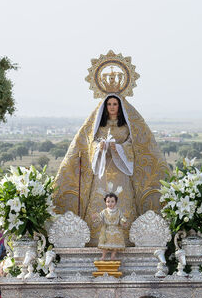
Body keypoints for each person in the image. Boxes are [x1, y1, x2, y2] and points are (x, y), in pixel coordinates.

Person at [53, 93, 166, 245]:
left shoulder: (125, 128)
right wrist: (99, 147)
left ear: (119, 107)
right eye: (109, 104)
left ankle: (125, 236)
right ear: (105, 107)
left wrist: (118, 147)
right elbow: (91, 144)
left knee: (123, 197)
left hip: (121, 171)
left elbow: (130, 145)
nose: (112, 107)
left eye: (115, 104)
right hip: (103, 170)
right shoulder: (99, 128)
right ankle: (96, 237)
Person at [93, 192, 129, 260]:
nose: (110, 203)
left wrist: (123, 221)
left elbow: (121, 218)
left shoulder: (118, 211)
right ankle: (103, 256)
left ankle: (113, 255)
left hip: (116, 229)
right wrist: (96, 218)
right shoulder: (104, 212)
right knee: (105, 244)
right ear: (105, 202)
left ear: (116, 202)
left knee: (116, 243)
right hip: (107, 229)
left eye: (112, 201)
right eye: (108, 201)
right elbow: (100, 218)